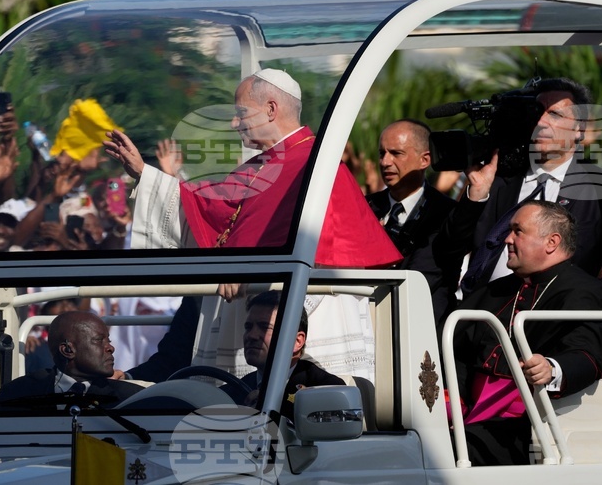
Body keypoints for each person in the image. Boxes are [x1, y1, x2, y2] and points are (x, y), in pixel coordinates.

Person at [105, 70, 400, 380]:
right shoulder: (259, 166)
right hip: (252, 309)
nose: (235, 123)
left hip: (309, 314)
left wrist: (247, 268)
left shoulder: (317, 162)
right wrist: (145, 174)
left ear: (270, 109)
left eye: (241, 112)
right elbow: (208, 208)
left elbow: (322, 243)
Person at [453, 201, 602, 466]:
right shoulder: (493, 291)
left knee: (450, 448)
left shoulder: (586, 292)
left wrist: (551, 368)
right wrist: (451, 401)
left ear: (551, 242)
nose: (507, 239)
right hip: (470, 413)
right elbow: (458, 351)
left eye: (518, 231)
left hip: (534, 424)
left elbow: (587, 349)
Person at [461, 78, 602, 305]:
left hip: (560, 318)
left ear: (579, 129)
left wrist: (580, 304)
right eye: (537, 112)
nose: (541, 122)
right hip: (483, 313)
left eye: (555, 114)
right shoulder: (497, 179)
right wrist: (474, 198)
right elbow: (449, 250)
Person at [365, 120, 494, 325]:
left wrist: (477, 191)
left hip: (422, 327)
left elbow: (455, 241)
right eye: (382, 153)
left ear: (424, 160)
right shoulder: (362, 208)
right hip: (366, 323)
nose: (385, 162)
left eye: (396, 153)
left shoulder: (445, 212)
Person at [0, 311, 140, 409]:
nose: (111, 348)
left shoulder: (132, 399)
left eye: (109, 341)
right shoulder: (17, 394)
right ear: (68, 350)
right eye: (98, 341)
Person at [235, 291, 342, 419]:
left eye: (264, 327)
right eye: (248, 327)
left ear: (297, 341)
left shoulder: (327, 390)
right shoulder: (234, 390)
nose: (251, 335)